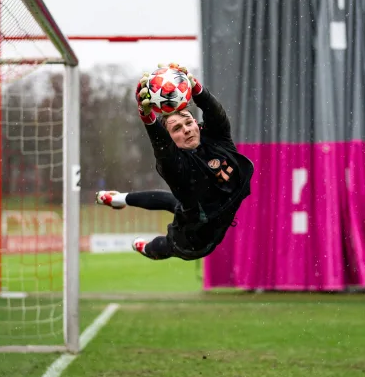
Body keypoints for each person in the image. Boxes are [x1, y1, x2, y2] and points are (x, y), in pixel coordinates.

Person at [95, 64, 254, 260]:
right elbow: (161, 145)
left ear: (197, 123)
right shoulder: (177, 167)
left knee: (172, 202)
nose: (186, 129)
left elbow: (216, 114)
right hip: (195, 239)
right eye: (177, 129)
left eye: (188, 122)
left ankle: (119, 199)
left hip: (199, 210)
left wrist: (195, 86)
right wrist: (148, 118)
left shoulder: (217, 140)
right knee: (168, 245)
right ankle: (145, 248)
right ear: (170, 139)